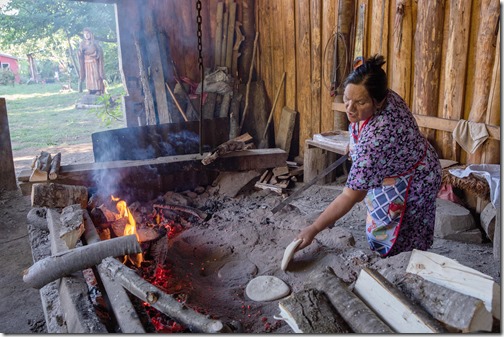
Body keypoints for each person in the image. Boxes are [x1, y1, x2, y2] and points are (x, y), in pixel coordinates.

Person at [296, 54, 442, 257]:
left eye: (360, 102)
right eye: (346, 99)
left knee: (396, 235)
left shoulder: (377, 139)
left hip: (414, 180)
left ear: (379, 102)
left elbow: (351, 195)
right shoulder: (380, 93)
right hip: (400, 163)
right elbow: (361, 129)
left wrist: (314, 228)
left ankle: (398, 265)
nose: (349, 108)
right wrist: (353, 143)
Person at [78, 27, 105, 95]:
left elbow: (99, 51)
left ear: (91, 34)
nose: (86, 35)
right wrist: (79, 53)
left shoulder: (95, 42)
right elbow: (80, 53)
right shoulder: (82, 43)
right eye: (85, 34)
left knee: (96, 75)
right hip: (86, 63)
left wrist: (96, 53)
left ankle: (98, 89)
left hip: (94, 62)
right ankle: (90, 89)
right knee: (89, 76)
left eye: (88, 33)